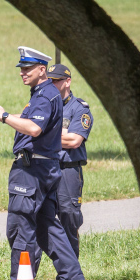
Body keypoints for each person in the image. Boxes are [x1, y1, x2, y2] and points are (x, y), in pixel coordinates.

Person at [0, 47, 87, 280]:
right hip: (45, 167)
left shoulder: (43, 95)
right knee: (47, 226)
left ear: (42, 70)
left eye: (27, 68)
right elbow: (36, 121)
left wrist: (4, 115)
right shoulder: (47, 93)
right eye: (21, 69)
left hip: (32, 170)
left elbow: (34, 128)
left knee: (21, 224)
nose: (22, 73)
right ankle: (71, 278)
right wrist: (3, 118)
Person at [47, 63, 93, 256]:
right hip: (46, 167)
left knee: (69, 217)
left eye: (56, 80)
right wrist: (61, 135)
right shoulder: (45, 105)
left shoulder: (79, 109)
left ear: (68, 81)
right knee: (39, 219)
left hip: (68, 170)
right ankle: (26, 278)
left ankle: (71, 278)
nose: (51, 83)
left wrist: (44, 136)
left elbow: (74, 140)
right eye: (49, 80)